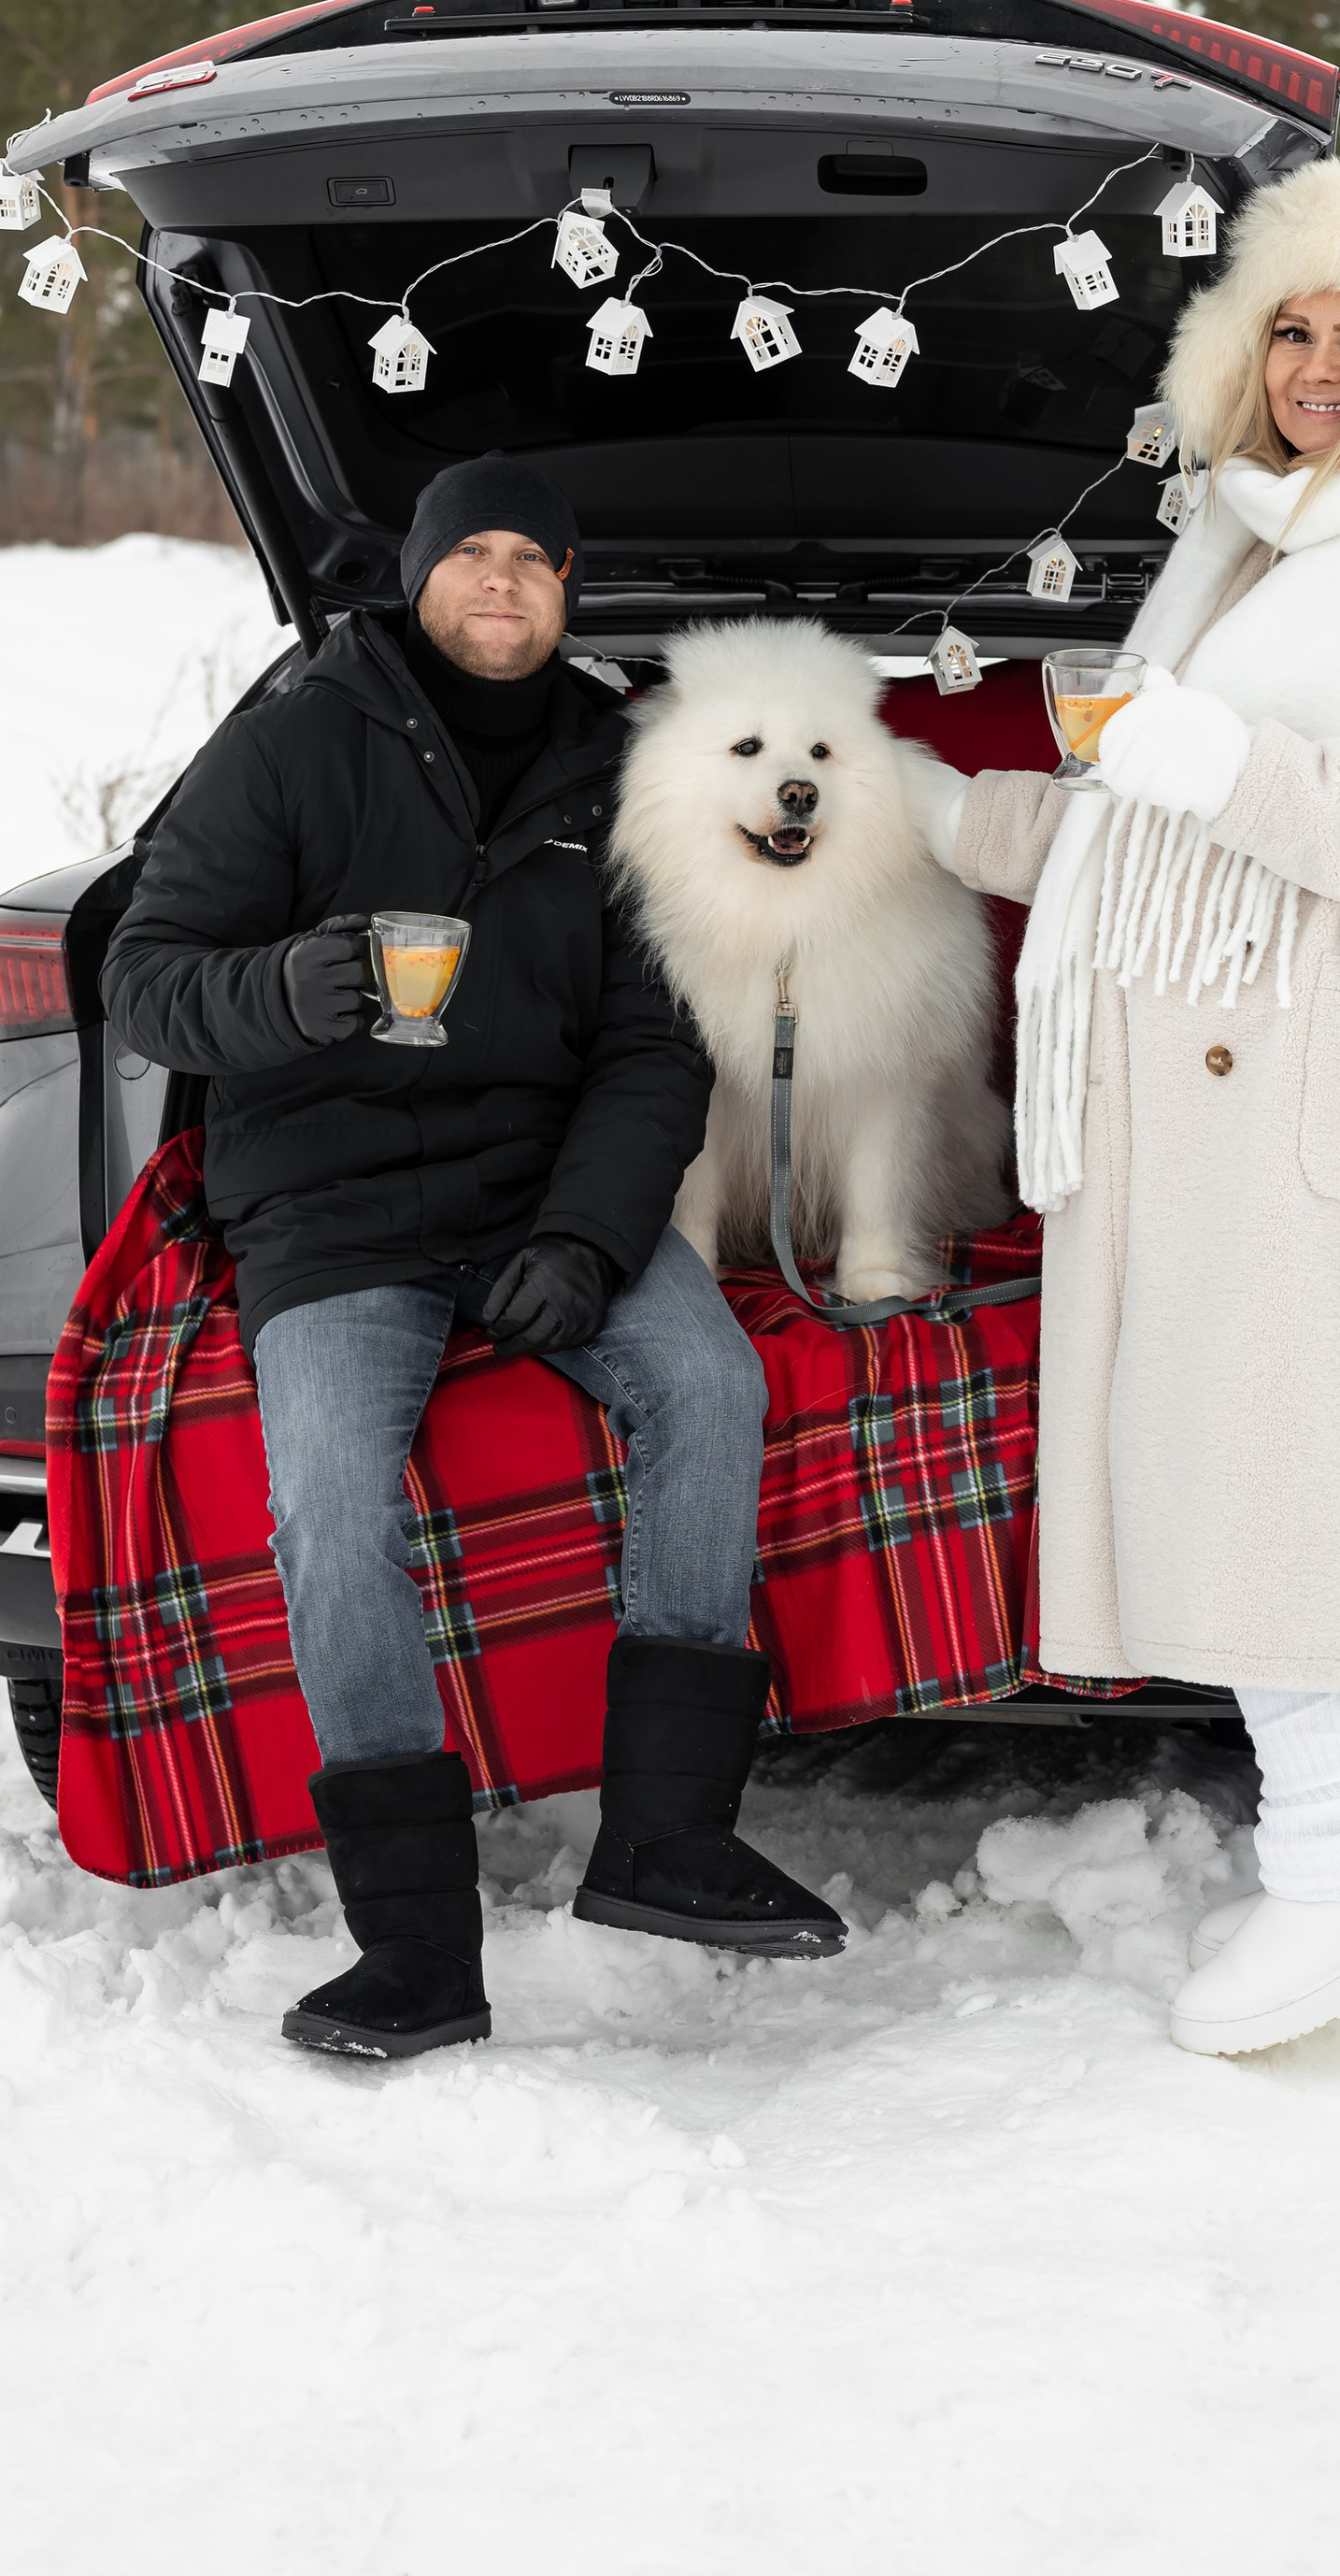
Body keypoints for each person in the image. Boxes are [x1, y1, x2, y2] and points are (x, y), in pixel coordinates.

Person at [902, 156, 1340, 2056]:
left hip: (1337, 1109)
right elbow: (1147, 826)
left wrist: (1220, 757)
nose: (1317, 365)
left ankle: (1333, 1875)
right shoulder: (1240, 538)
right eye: (1287, 327)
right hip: (1207, 1110)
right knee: (1286, 1489)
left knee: (1299, 1496)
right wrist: (934, 814)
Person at [102, 453, 844, 2063]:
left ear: (566, 587)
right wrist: (291, 991)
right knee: (326, 1499)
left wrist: (586, 1239)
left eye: (532, 557)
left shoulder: (618, 770)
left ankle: (665, 1839)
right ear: (418, 574)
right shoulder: (297, 742)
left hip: (537, 1191)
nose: (499, 582)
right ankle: (417, 1947)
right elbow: (148, 980)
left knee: (711, 1381)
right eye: (470, 555)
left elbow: (656, 1049)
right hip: (332, 1206)